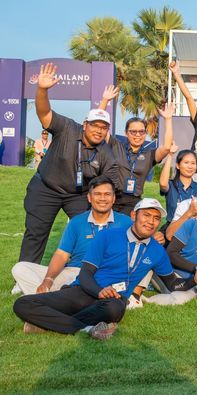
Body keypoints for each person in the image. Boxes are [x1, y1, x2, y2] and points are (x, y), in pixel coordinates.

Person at [13, 199, 197, 340]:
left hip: (112, 302)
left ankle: (51, 325)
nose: (151, 222)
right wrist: (99, 290)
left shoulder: (157, 251)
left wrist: (194, 280)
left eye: (156, 218)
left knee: (116, 309)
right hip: (84, 291)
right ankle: (86, 328)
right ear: (133, 216)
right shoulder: (107, 236)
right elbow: (85, 274)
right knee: (23, 304)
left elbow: (173, 283)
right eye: (146, 215)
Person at [20, 63, 119, 264]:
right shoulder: (67, 128)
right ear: (85, 125)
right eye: (94, 125)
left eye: (104, 127)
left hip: (77, 194)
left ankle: (83, 271)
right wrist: (42, 89)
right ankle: (24, 276)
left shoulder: (106, 153)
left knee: (89, 230)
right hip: (46, 187)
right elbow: (44, 113)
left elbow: (110, 183)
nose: (99, 130)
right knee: (36, 232)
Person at [12, 177, 132, 295]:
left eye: (107, 194)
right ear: (89, 198)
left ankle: (46, 299)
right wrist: (48, 280)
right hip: (74, 272)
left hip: (106, 274)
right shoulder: (76, 222)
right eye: (97, 194)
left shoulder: (126, 223)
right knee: (20, 268)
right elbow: (62, 254)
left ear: (114, 198)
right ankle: (49, 297)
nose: (102, 198)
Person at [99, 86, 174, 215]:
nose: (137, 135)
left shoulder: (149, 154)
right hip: (111, 199)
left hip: (133, 203)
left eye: (141, 132)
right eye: (133, 131)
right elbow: (99, 128)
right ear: (126, 133)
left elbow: (167, 147)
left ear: (145, 134)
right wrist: (105, 101)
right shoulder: (116, 145)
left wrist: (168, 119)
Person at [159, 146, 197, 234]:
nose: (190, 166)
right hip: (171, 230)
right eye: (186, 162)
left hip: (192, 231)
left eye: (193, 163)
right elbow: (163, 184)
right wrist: (170, 155)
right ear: (178, 165)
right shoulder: (171, 185)